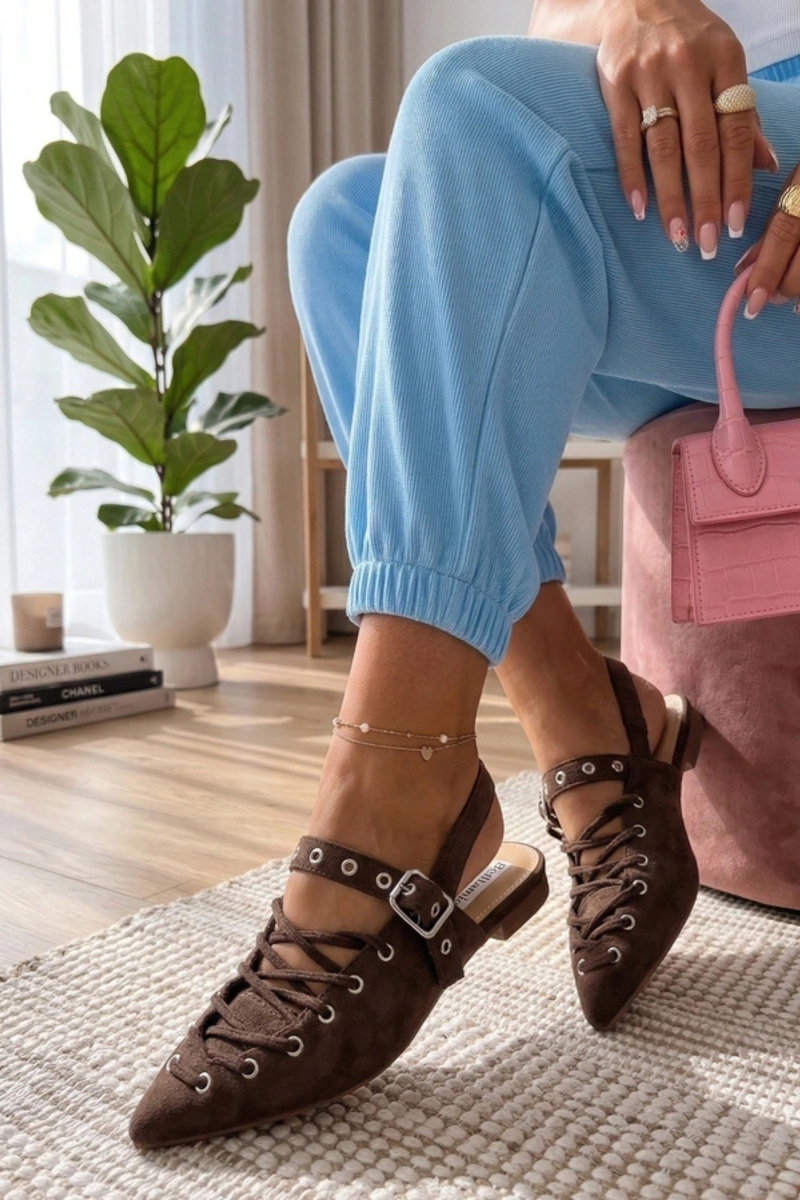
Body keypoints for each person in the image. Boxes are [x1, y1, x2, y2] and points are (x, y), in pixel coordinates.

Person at [129, 0, 800, 1149]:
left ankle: (395, 792)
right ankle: (578, 714)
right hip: (690, 217)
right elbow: (560, 28)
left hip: (769, 207)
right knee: (342, 220)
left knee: (475, 103)